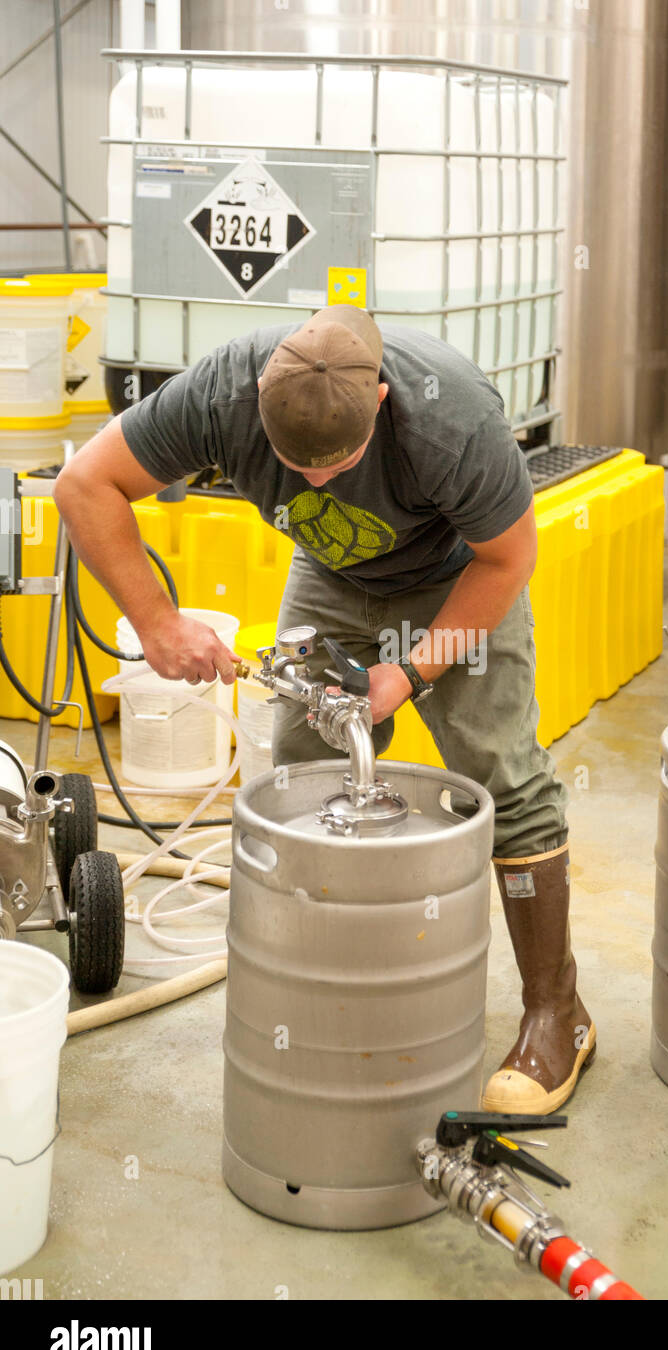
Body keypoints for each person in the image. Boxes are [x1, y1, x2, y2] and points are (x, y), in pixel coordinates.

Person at [55, 305, 596, 1114]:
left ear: (379, 401)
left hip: (455, 577)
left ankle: (558, 1013)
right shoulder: (219, 392)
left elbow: (510, 556)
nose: (311, 480)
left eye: (335, 464)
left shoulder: (452, 419)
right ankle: (326, 1002)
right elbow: (84, 484)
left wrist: (407, 674)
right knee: (306, 782)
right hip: (334, 574)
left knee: (502, 774)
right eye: (290, 463)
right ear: (257, 403)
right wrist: (157, 622)